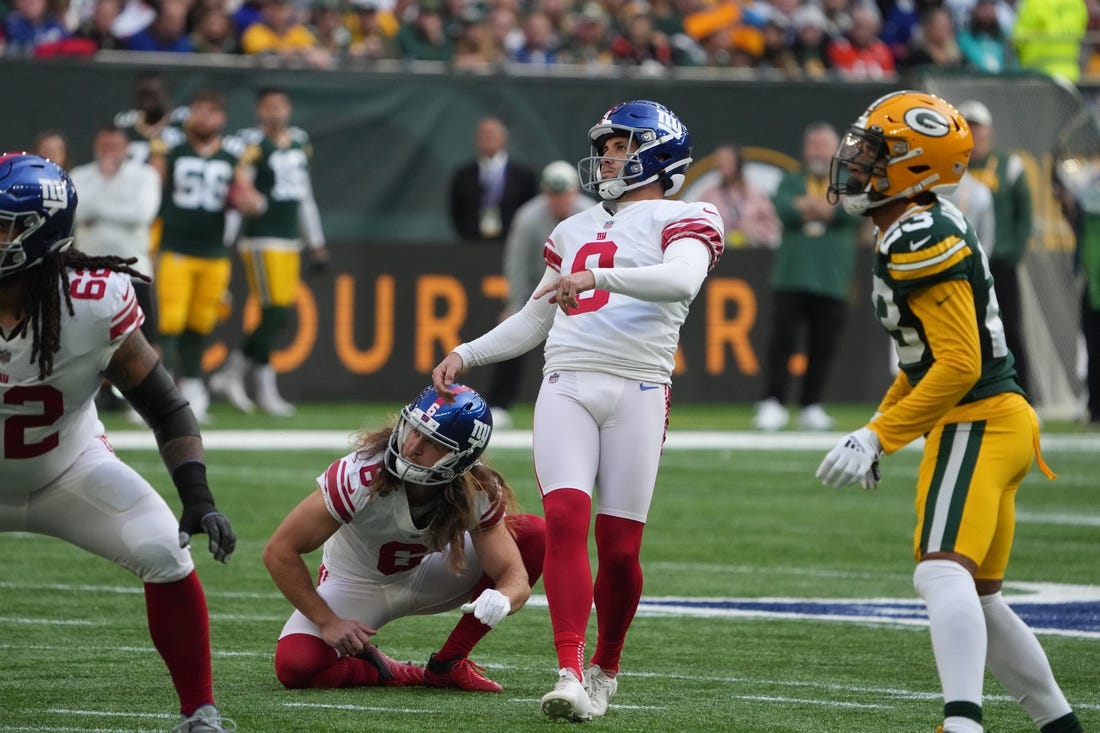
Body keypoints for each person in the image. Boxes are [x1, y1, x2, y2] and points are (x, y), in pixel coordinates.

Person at [432, 99, 724, 722]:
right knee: (565, 518)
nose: (608, 156)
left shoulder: (689, 214)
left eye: (621, 145)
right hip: (566, 380)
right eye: (608, 146)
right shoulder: (571, 229)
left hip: (640, 386)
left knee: (619, 549)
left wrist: (598, 281)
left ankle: (605, 667)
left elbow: (681, 281)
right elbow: (535, 319)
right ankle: (568, 669)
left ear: (655, 151)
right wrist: (466, 353)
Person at [818, 90, 1085, 733]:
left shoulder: (918, 232)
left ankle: (961, 723)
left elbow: (959, 363)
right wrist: (879, 426)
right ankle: (1060, 723)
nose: (856, 160)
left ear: (916, 167)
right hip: (997, 419)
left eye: (876, 151)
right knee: (982, 599)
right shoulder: (919, 221)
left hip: (980, 417)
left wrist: (879, 438)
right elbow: (924, 361)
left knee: (940, 574)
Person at [0, 153, 237, 732]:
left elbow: (164, 405)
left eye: (2, 224)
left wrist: (197, 494)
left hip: (67, 469)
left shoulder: (92, 299)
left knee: (163, 548)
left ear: (36, 232)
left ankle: (200, 713)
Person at [263, 384, 546, 693]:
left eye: (433, 442)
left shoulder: (476, 488)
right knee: (296, 666)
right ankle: (383, 670)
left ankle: (448, 663)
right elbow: (280, 551)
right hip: (356, 582)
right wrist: (328, 620)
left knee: (533, 534)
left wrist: (502, 598)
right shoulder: (359, 476)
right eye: (414, 429)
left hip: (431, 573)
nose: (413, 446)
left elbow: (514, 576)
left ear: (461, 457)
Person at [209, 87, 328, 418]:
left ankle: (243, 378)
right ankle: (242, 378)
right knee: (274, 312)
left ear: (288, 108)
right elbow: (240, 190)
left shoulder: (300, 142)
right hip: (262, 237)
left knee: (278, 316)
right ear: (259, 110)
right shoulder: (252, 144)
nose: (276, 112)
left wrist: (316, 241)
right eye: (269, 106)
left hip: (291, 238)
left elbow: (304, 195)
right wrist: (232, 232)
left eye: (281, 105)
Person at [149, 89, 265, 424]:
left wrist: (253, 202)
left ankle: (194, 392)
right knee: (170, 323)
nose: (203, 117)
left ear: (221, 118)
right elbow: (152, 185)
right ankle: (156, 393)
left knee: (199, 326)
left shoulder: (232, 156)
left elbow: (247, 194)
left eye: (210, 111)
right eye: (198, 110)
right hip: (176, 247)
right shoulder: (170, 149)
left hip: (214, 252)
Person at [753, 122, 859, 432]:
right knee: (782, 342)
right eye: (812, 144)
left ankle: (812, 403)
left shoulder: (848, 179)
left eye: (823, 144)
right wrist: (828, 206)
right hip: (792, 275)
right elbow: (786, 210)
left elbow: (850, 211)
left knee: (823, 344)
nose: (816, 151)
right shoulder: (792, 178)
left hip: (833, 277)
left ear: (836, 149)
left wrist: (813, 207)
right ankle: (773, 401)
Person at [485, 160, 589, 429]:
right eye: (553, 194)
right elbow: (517, 263)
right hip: (540, 289)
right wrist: (515, 304)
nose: (558, 201)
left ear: (574, 192)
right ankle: (499, 403)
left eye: (563, 193)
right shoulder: (528, 217)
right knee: (512, 330)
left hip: (584, 291)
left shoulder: (590, 213)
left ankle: (586, 400)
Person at [957, 100, 1033, 397]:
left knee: (1009, 330)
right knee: (966, 331)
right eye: (968, 127)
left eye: (978, 127)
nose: (974, 134)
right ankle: (970, 395)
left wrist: (1013, 250)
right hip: (961, 264)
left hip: (999, 263)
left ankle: (1022, 394)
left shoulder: (1008, 166)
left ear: (988, 131)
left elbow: (1024, 215)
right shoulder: (951, 166)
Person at [70, 123, 162, 347]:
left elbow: (142, 214)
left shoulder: (145, 175)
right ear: (95, 146)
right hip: (87, 275)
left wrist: (96, 211)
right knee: (86, 344)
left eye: (116, 146)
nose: (110, 151)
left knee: (141, 345)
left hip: (133, 273)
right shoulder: (80, 175)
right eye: (104, 145)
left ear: (127, 147)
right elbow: (77, 211)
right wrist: (105, 183)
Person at [447, 117, 538, 244]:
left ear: (504, 138)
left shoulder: (523, 175)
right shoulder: (463, 175)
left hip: (512, 242)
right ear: (476, 139)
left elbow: (530, 208)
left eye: (493, 134)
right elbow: (457, 210)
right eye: (484, 134)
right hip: (473, 243)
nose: (488, 137)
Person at [694, 143, 781, 249]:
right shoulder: (709, 196)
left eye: (726, 160)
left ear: (737, 163)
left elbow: (773, 227)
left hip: (753, 254)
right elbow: (697, 227)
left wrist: (754, 230)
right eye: (718, 160)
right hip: (719, 255)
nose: (720, 164)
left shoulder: (756, 195)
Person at [114, 70, 189, 164]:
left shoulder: (183, 122)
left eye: (153, 94)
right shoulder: (124, 123)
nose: (148, 101)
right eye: (143, 94)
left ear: (165, 92)